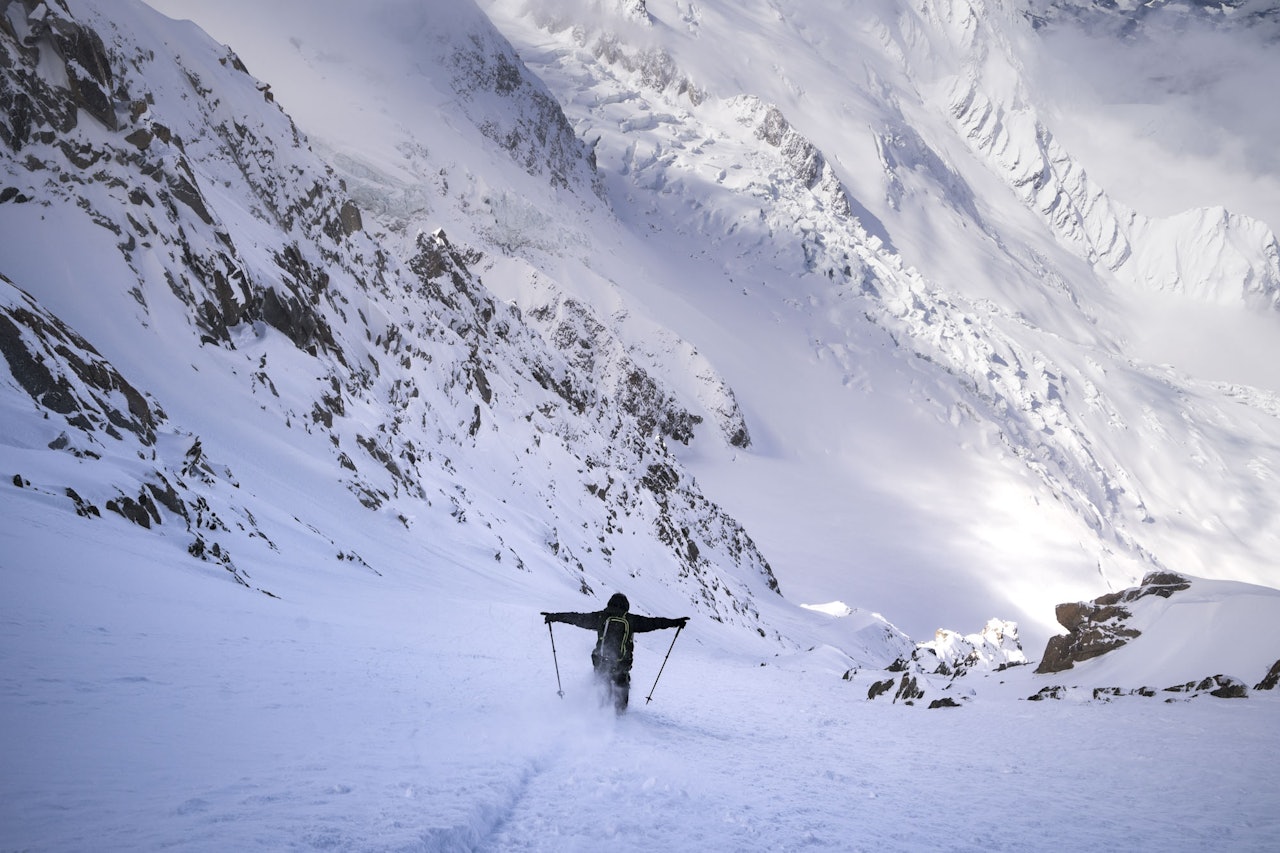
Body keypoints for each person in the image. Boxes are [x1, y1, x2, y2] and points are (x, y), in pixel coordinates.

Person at [542, 593, 688, 713]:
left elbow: (576, 618)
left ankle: (600, 715)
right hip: (621, 665)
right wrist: (675, 622)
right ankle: (620, 718)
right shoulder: (631, 620)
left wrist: (554, 616)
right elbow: (655, 623)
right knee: (621, 696)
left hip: (601, 663)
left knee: (602, 690)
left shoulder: (600, 617)